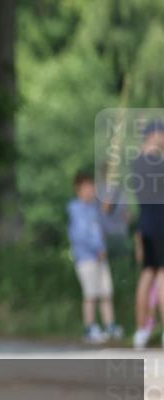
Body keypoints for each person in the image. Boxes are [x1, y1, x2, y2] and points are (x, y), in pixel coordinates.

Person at [67, 170, 122, 344]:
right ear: (78, 189)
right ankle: (90, 327)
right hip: (86, 258)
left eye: (92, 187)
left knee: (106, 292)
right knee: (91, 294)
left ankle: (109, 325)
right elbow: (81, 234)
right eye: (87, 187)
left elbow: (106, 222)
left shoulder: (95, 208)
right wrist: (97, 248)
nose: (91, 191)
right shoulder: (76, 209)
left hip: (100, 257)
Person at [132, 119, 164, 349]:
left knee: (147, 275)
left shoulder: (137, 162)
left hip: (145, 224)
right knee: (162, 276)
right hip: (161, 223)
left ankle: (142, 331)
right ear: (154, 135)